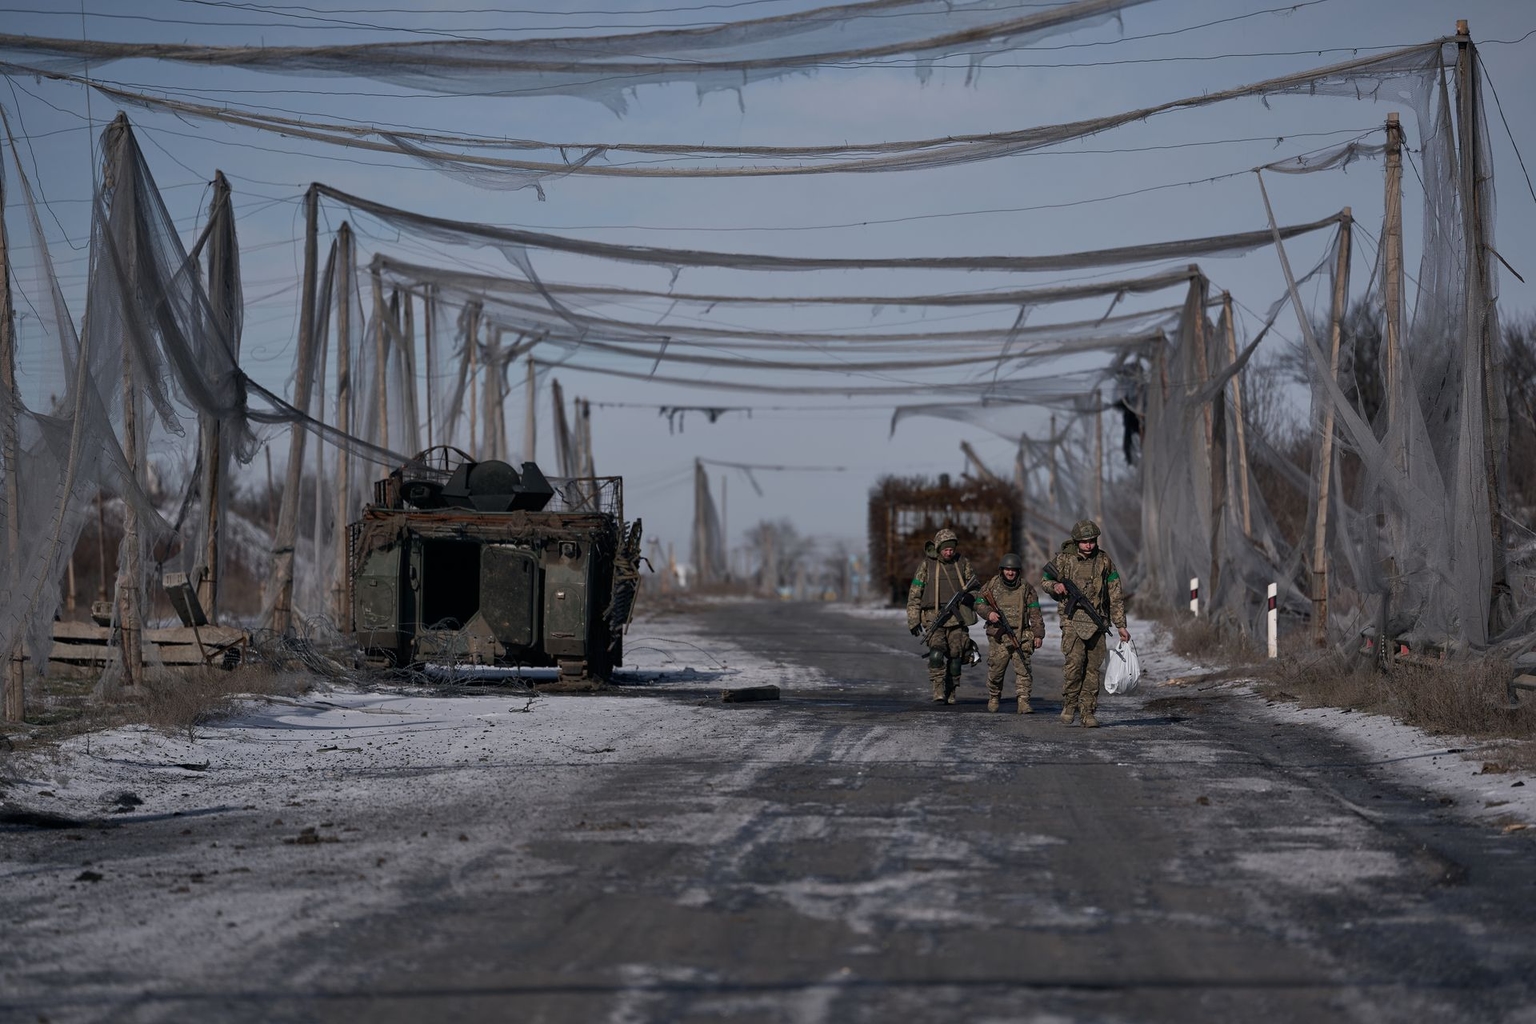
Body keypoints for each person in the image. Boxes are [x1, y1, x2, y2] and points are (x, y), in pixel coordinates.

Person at [1042, 519, 1130, 728]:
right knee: (1074, 666)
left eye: (1091, 541)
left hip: (1097, 622)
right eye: (1084, 542)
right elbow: (1045, 580)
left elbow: (1115, 594)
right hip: (1072, 621)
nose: (1088, 545)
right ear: (1076, 541)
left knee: (1092, 669)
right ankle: (1070, 704)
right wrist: (1056, 586)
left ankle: (1088, 711)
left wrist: (1120, 625)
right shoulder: (1064, 560)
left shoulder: (1104, 561)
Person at [906, 527, 978, 704]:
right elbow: (914, 594)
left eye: (951, 548)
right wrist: (913, 620)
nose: (949, 552)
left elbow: (977, 588)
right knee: (936, 654)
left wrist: (971, 597)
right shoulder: (927, 565)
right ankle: (938, 689)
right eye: (945, 549)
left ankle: (951, 689)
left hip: (957, 619)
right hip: (934, 618)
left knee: (956, 656)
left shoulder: (962, 563)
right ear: (938, 548)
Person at [976, 553, 1045, 714]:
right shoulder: (992, 585)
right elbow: (979, 603)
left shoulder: (1026, 588)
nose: (1010, 573)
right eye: (1007, 569)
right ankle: (994, 696)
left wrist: (1038, 634)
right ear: (1002, 570)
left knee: (1024, 669)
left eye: (1013, 570)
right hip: (999, 637)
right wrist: (988, 614)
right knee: (996, 671)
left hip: (1021, 635)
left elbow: (1035, 612)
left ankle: (1023, 701)